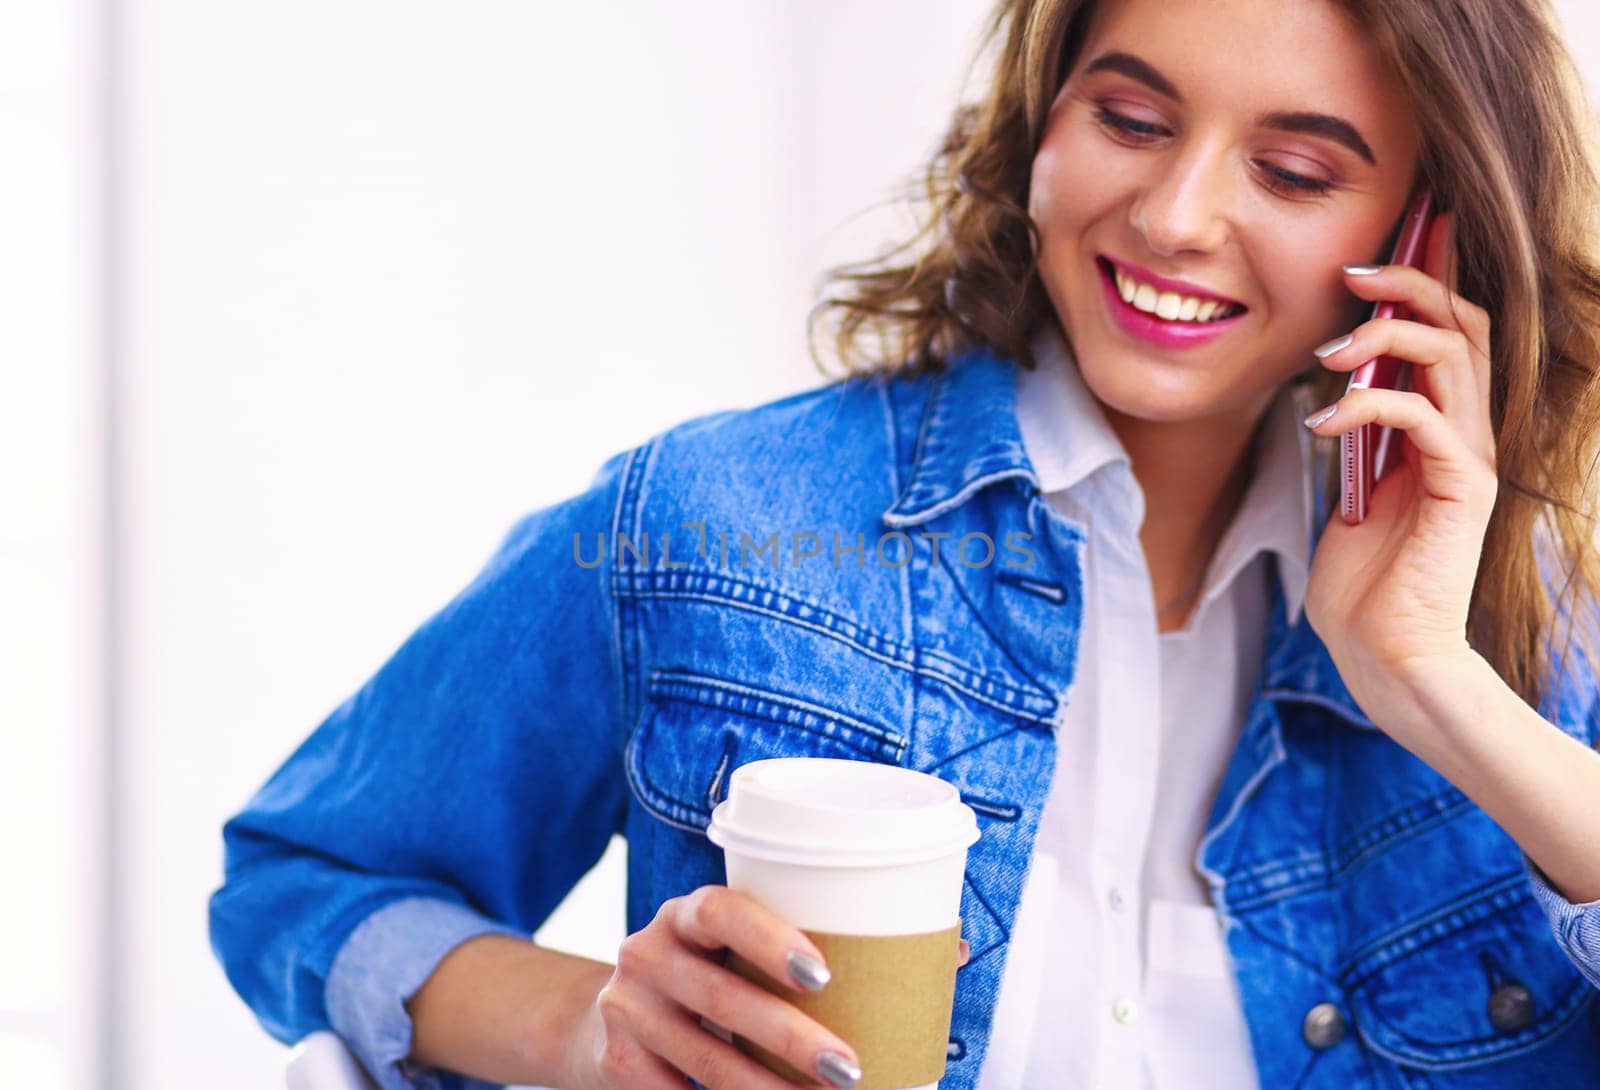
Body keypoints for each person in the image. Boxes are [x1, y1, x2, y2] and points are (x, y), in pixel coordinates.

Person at [208, 0, 1600, 1087]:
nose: (1176, 218)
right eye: (1126, 118)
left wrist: (1432, 678)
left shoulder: (1513, 617)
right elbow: (306, 879)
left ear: (1429, 233)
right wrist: (590, 1028)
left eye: (1295, 170)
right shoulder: (715, 520)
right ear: (1041, 120)